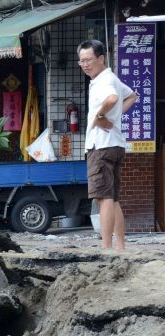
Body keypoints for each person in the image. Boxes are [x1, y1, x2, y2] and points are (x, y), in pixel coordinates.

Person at [78, 39, 137, 250]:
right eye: (81, 61)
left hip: (102, 146)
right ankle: (120, 248)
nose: (85, 64)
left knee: (104, 198)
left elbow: (112, 99)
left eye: (89, 60)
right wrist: (113, 115)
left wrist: (100, 115)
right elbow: (132, 96)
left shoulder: (104, 81)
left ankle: (106, 248)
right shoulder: (110, 78)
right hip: (115, 144)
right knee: (113, 199)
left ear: (101, 58)